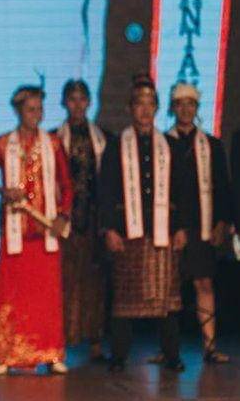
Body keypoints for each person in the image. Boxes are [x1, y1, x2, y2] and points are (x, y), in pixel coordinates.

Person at [0, 85, 72, 375]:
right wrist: (2, 191)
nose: (36, 115)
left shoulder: (53, 143)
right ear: (18, 111)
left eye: (40, 109)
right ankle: (6, 354)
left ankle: (51, 353)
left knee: (46, 295)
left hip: (45, 232)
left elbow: (67, 185)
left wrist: (63, 215)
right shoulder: (2, 144)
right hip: (15, 231)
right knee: (13, 292)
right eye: (31, 109)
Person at [97, 73, 185, 373]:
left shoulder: (169, 146)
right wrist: (109, 229)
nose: (145, 110)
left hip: (163, 231)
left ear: (157, 108)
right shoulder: (115, 146)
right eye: (139, 104)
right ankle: (119, 356)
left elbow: (181, 190)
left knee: (166, 299)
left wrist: (181, 227)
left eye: (150, 104)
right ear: (130, 108)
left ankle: (172, 355)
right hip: (128, 231)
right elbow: (106, 191)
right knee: (125, 297)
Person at [165, 82, 232, 363]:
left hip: (202, 225)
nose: (185, 109)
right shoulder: (163, 143)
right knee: (168, 288)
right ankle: (168, 349)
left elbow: (223, 187)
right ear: (172, 108)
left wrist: (222, 222)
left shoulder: (211, 145)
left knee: (204, 284)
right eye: (180, 104)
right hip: (171, 227)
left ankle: (210, 346)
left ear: (197, 108)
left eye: (190, 104)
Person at [52, 79, 110, 361]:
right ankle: (61, 340)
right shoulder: (52, 139)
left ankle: (95, 340)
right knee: (64, 280)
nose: (77, 104)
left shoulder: (103, 138)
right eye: (72, 99)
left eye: (82, 99)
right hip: (65, 220)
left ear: (89, 102)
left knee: (94, 282)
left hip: (93, 219)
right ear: (64, 102)